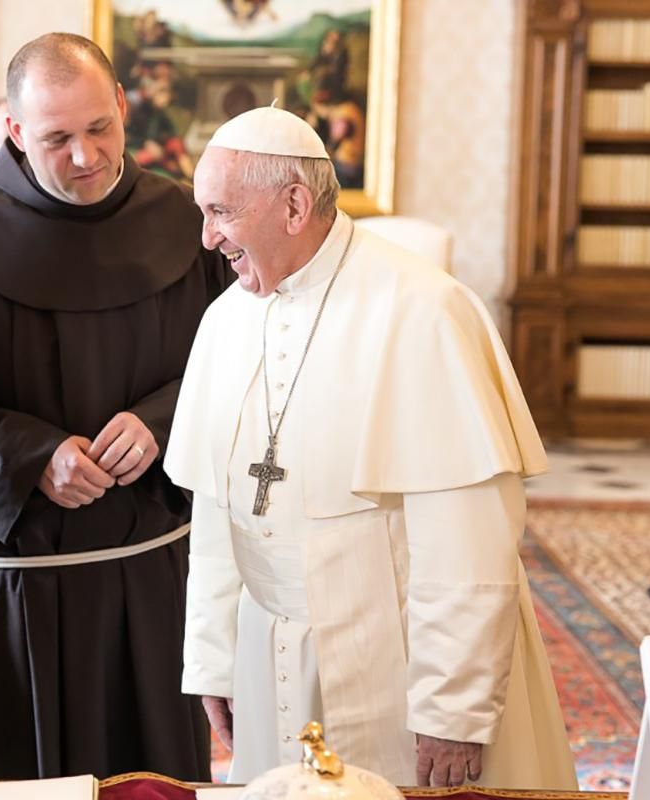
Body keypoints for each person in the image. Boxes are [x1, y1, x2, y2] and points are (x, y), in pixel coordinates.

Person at [165, 104, 579, 789]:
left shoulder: (423, 309)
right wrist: (215, 660)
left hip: (395, 653)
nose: (208, 238)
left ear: (294, 205)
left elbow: (467, 537)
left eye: (221, 213)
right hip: (272, 654)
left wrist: (453, 708)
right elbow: (215, 515)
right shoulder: (225, 318)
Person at [0, 33, 231, 781]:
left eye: (99, 128)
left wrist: (158, 424)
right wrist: (30, 456)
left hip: (150, 566)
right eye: (57, 139)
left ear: (122, 106)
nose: (85, 156)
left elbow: (238, 366)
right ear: (15, 132)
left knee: (152, 780)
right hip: (14, 582)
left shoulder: (192, 224)